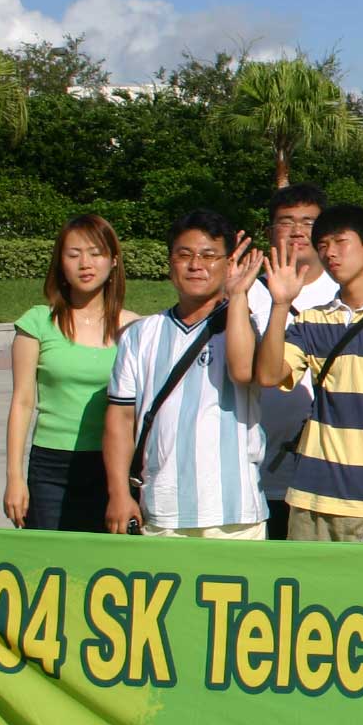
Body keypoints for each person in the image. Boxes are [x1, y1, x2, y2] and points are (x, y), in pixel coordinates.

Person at [246, 203, 363, 542]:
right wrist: (281, 305)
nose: (330, 253)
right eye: (323, 246)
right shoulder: (311, 320)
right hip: (311, 495)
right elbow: (270, 375)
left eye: (340, 242)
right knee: (306, 592)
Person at [103, 211, 266, 538]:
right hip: (163, 510)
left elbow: (245, 371)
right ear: (170, 263)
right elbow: (120, 419)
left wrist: (238, 296)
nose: (196, 265)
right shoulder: (141, 335)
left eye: (209, 256)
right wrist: (119, 493)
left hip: (234, 513)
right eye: (184, 255)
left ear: (228, 262)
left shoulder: (241, 327)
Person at [4, 214, 140, 531]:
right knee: (50, 567)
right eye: (73, 254)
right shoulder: (37, 323)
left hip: (114, 470)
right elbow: (22, 402)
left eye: (95, 253)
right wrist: (14, 478)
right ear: (60, 263)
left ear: (113, 261)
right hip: (51, 467)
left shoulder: (135, 328)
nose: (85, 264)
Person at [244, 184, 340, 539]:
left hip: (324, 469)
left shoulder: (343, 294)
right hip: (254, 468)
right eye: (286, 222)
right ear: (270, 232)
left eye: (308, 222)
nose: (298, 231)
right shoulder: (246, 292)